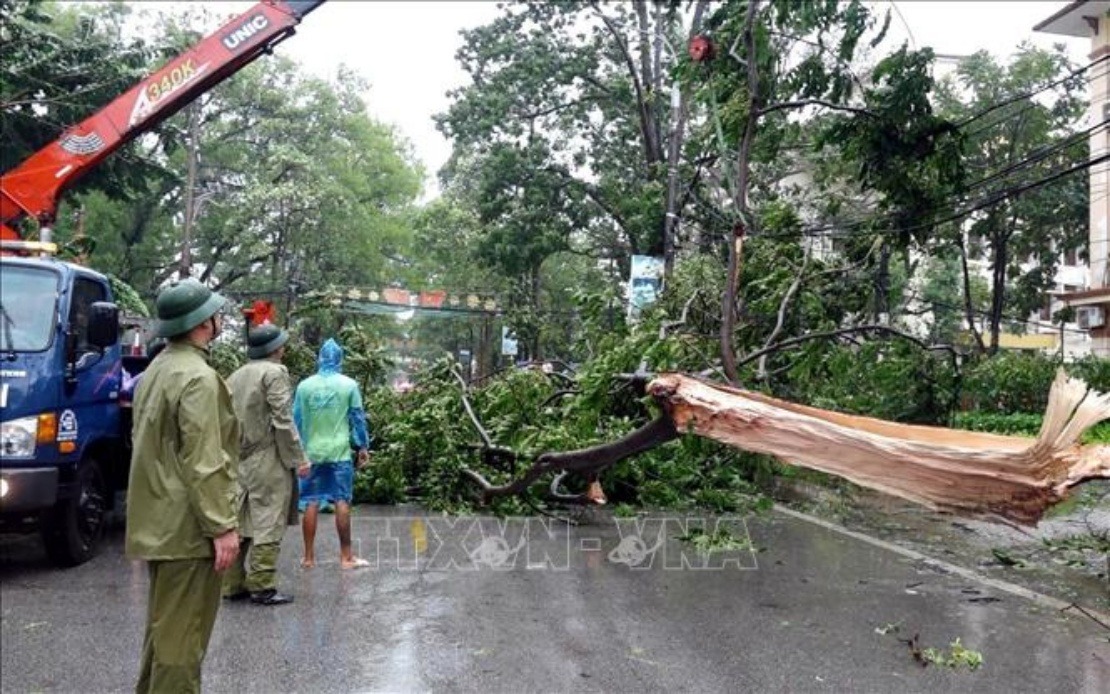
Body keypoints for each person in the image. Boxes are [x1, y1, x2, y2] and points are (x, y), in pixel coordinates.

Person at [125, 278, 240, 694]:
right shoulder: (199, 378)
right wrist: (222, 526)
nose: (220, 318)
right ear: (204, 323)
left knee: (163, 636)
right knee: (183, 645)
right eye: (215, 313)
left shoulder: (157, 369)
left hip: (158, 522)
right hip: (187, 529)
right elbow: (205, 460)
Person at [222, 324, 307, 605]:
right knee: (269, 518)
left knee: (240, 517)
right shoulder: (275, 373)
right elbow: (283, 420)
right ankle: (262, 585)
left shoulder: (235, 375)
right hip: (267, 457)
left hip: (239, 457)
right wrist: (298, 458)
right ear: (275, 349)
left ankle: (232, 584)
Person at [294, 338, 370, 569]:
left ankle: (308, 558)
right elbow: (357, 417)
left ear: (319, 358)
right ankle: (346, 557)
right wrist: (363, 446)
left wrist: (296, 452)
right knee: (341, 500)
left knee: (310, 502)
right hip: (339, 453)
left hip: (312, 453)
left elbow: (295, 419)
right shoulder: (349, 385)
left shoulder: (304, 386)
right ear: (340, 359)